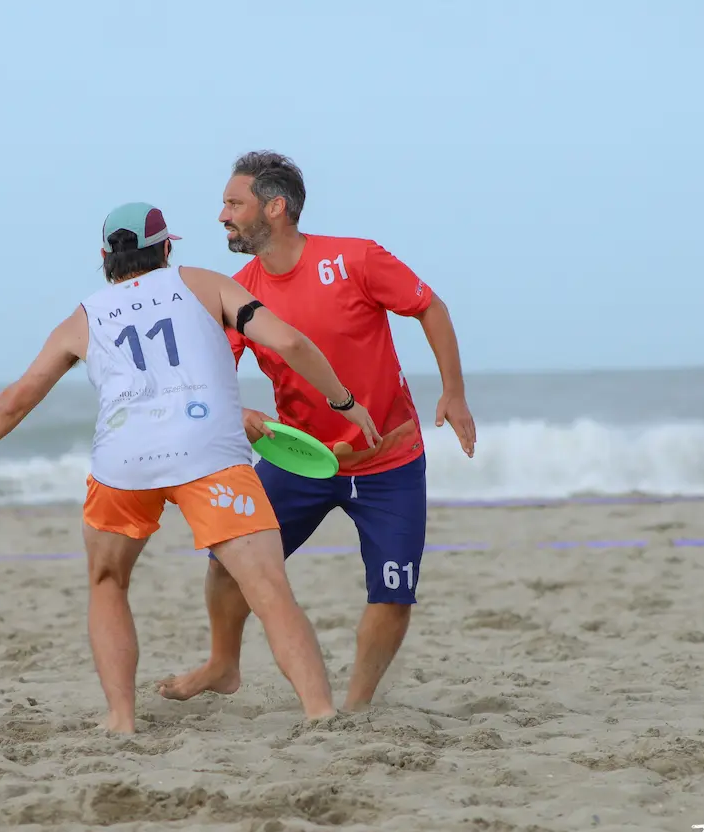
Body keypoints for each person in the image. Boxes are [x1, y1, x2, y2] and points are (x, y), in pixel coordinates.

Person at [0, 201, 382, 733]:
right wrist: (343, 402)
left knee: (108, 581)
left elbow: (19, 397)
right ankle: (320, 712)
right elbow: (289, 341)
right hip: (209, 456)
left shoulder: (84, 317)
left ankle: (120, 718)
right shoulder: (203, 284)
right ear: (166, 248)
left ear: (105, 256)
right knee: (269, 588)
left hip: (122, 464)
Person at [158, 151, 477, 712]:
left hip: (389, 460)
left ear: (275, 208)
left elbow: (430, 306)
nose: (222, 216)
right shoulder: (240, 292)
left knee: (393, 592)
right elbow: (208, 378)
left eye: (234, 203)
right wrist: (238, 413)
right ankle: (222, 663)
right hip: (299, 460)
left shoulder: (355, 259)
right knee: (228, 561)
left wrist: (453, 391)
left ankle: (355, 706)